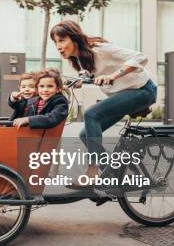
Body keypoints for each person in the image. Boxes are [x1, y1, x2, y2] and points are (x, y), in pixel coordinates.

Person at [50, 20, 157, 187]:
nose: (58, 46)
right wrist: (84, 80)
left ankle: (92, 172)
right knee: (85, 134)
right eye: (55, 42)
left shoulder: (100, 50)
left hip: (143, 91)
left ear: (74, 38)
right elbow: (99, 72)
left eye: (61, 40)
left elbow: (141, 57)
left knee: (91, 114)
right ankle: (111, 173)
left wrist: (113, 76)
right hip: (125, 95)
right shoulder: (81, 59)